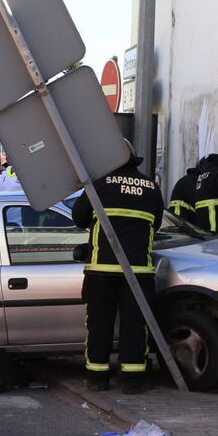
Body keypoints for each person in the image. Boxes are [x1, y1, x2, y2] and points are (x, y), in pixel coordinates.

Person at [71, 145, 164, 394]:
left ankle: (97, 378)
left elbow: (79, 217)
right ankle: (133, 380)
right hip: (138, 270)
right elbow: (156, 223)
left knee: (99, 324)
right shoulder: (151, 186)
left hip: (101, 269)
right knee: (135, 325)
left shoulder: (98, 184)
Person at [167, 158, 204, 223]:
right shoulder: (192, 180)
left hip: (181, 214)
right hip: (179, 214)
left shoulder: (188, 179)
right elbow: (195, 200)